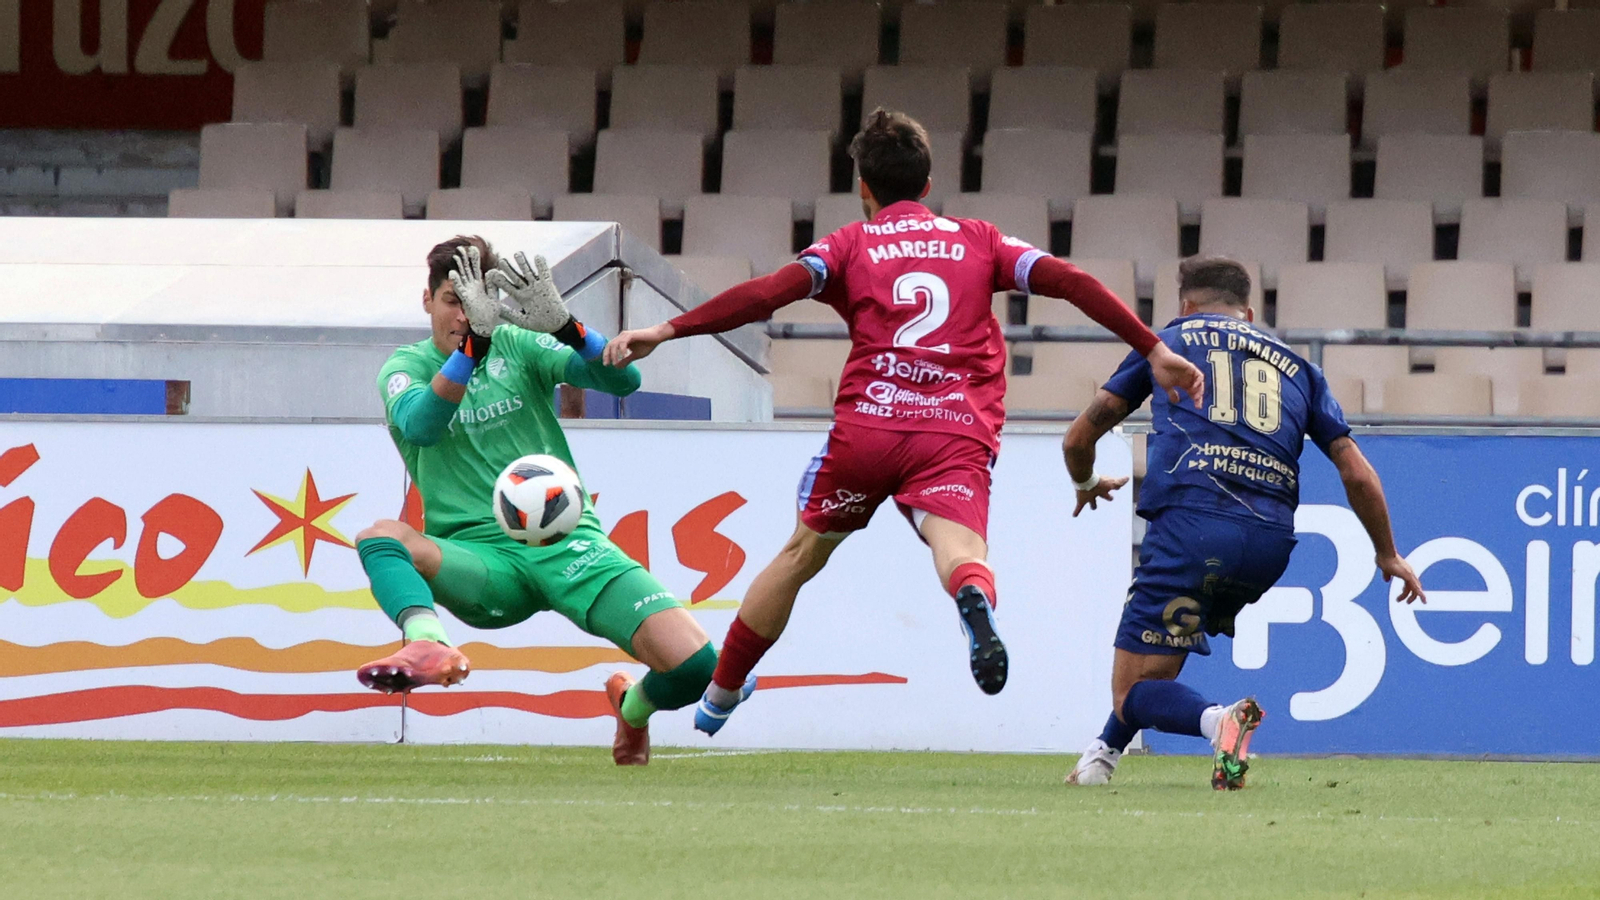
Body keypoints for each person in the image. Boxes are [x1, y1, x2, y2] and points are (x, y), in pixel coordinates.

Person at [603, 109, 1206, 736]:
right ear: (928, 182)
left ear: (863, 187)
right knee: (960, 551)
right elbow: (1070, 281)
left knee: (799, 556)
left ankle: (721, 695)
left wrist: (667, 328)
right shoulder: (980, 240)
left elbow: (767, 293)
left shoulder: (847, 245)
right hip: (953, 429)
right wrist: (1152, 346)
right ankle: (971, 597)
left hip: (869, 426)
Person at [1061, 256, 1426, 790]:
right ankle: (1100, 760)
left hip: (1193, 528)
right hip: (1268, 545)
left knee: (1130, 692)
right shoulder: (1301, 369)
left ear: (1187, 306)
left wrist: (1086, 481)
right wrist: (1387, 552)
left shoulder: (1169, 342)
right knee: (1158, 662)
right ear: (1249, 313)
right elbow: (1356, 473)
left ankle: (1219, 722)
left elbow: (1078, 439)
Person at [352, 235, 716, 766]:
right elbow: (422, 426)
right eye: (452, 301)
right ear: (427, 300)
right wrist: (473, 349)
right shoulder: (403, 367)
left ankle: (632, 707)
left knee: (696, 669)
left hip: (569, 543)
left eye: (476, 303)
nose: (463, 316)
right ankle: (427, 640)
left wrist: (567, 328)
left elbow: (624, 381)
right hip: (483, 562)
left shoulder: (519, 345)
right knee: (381, 537)